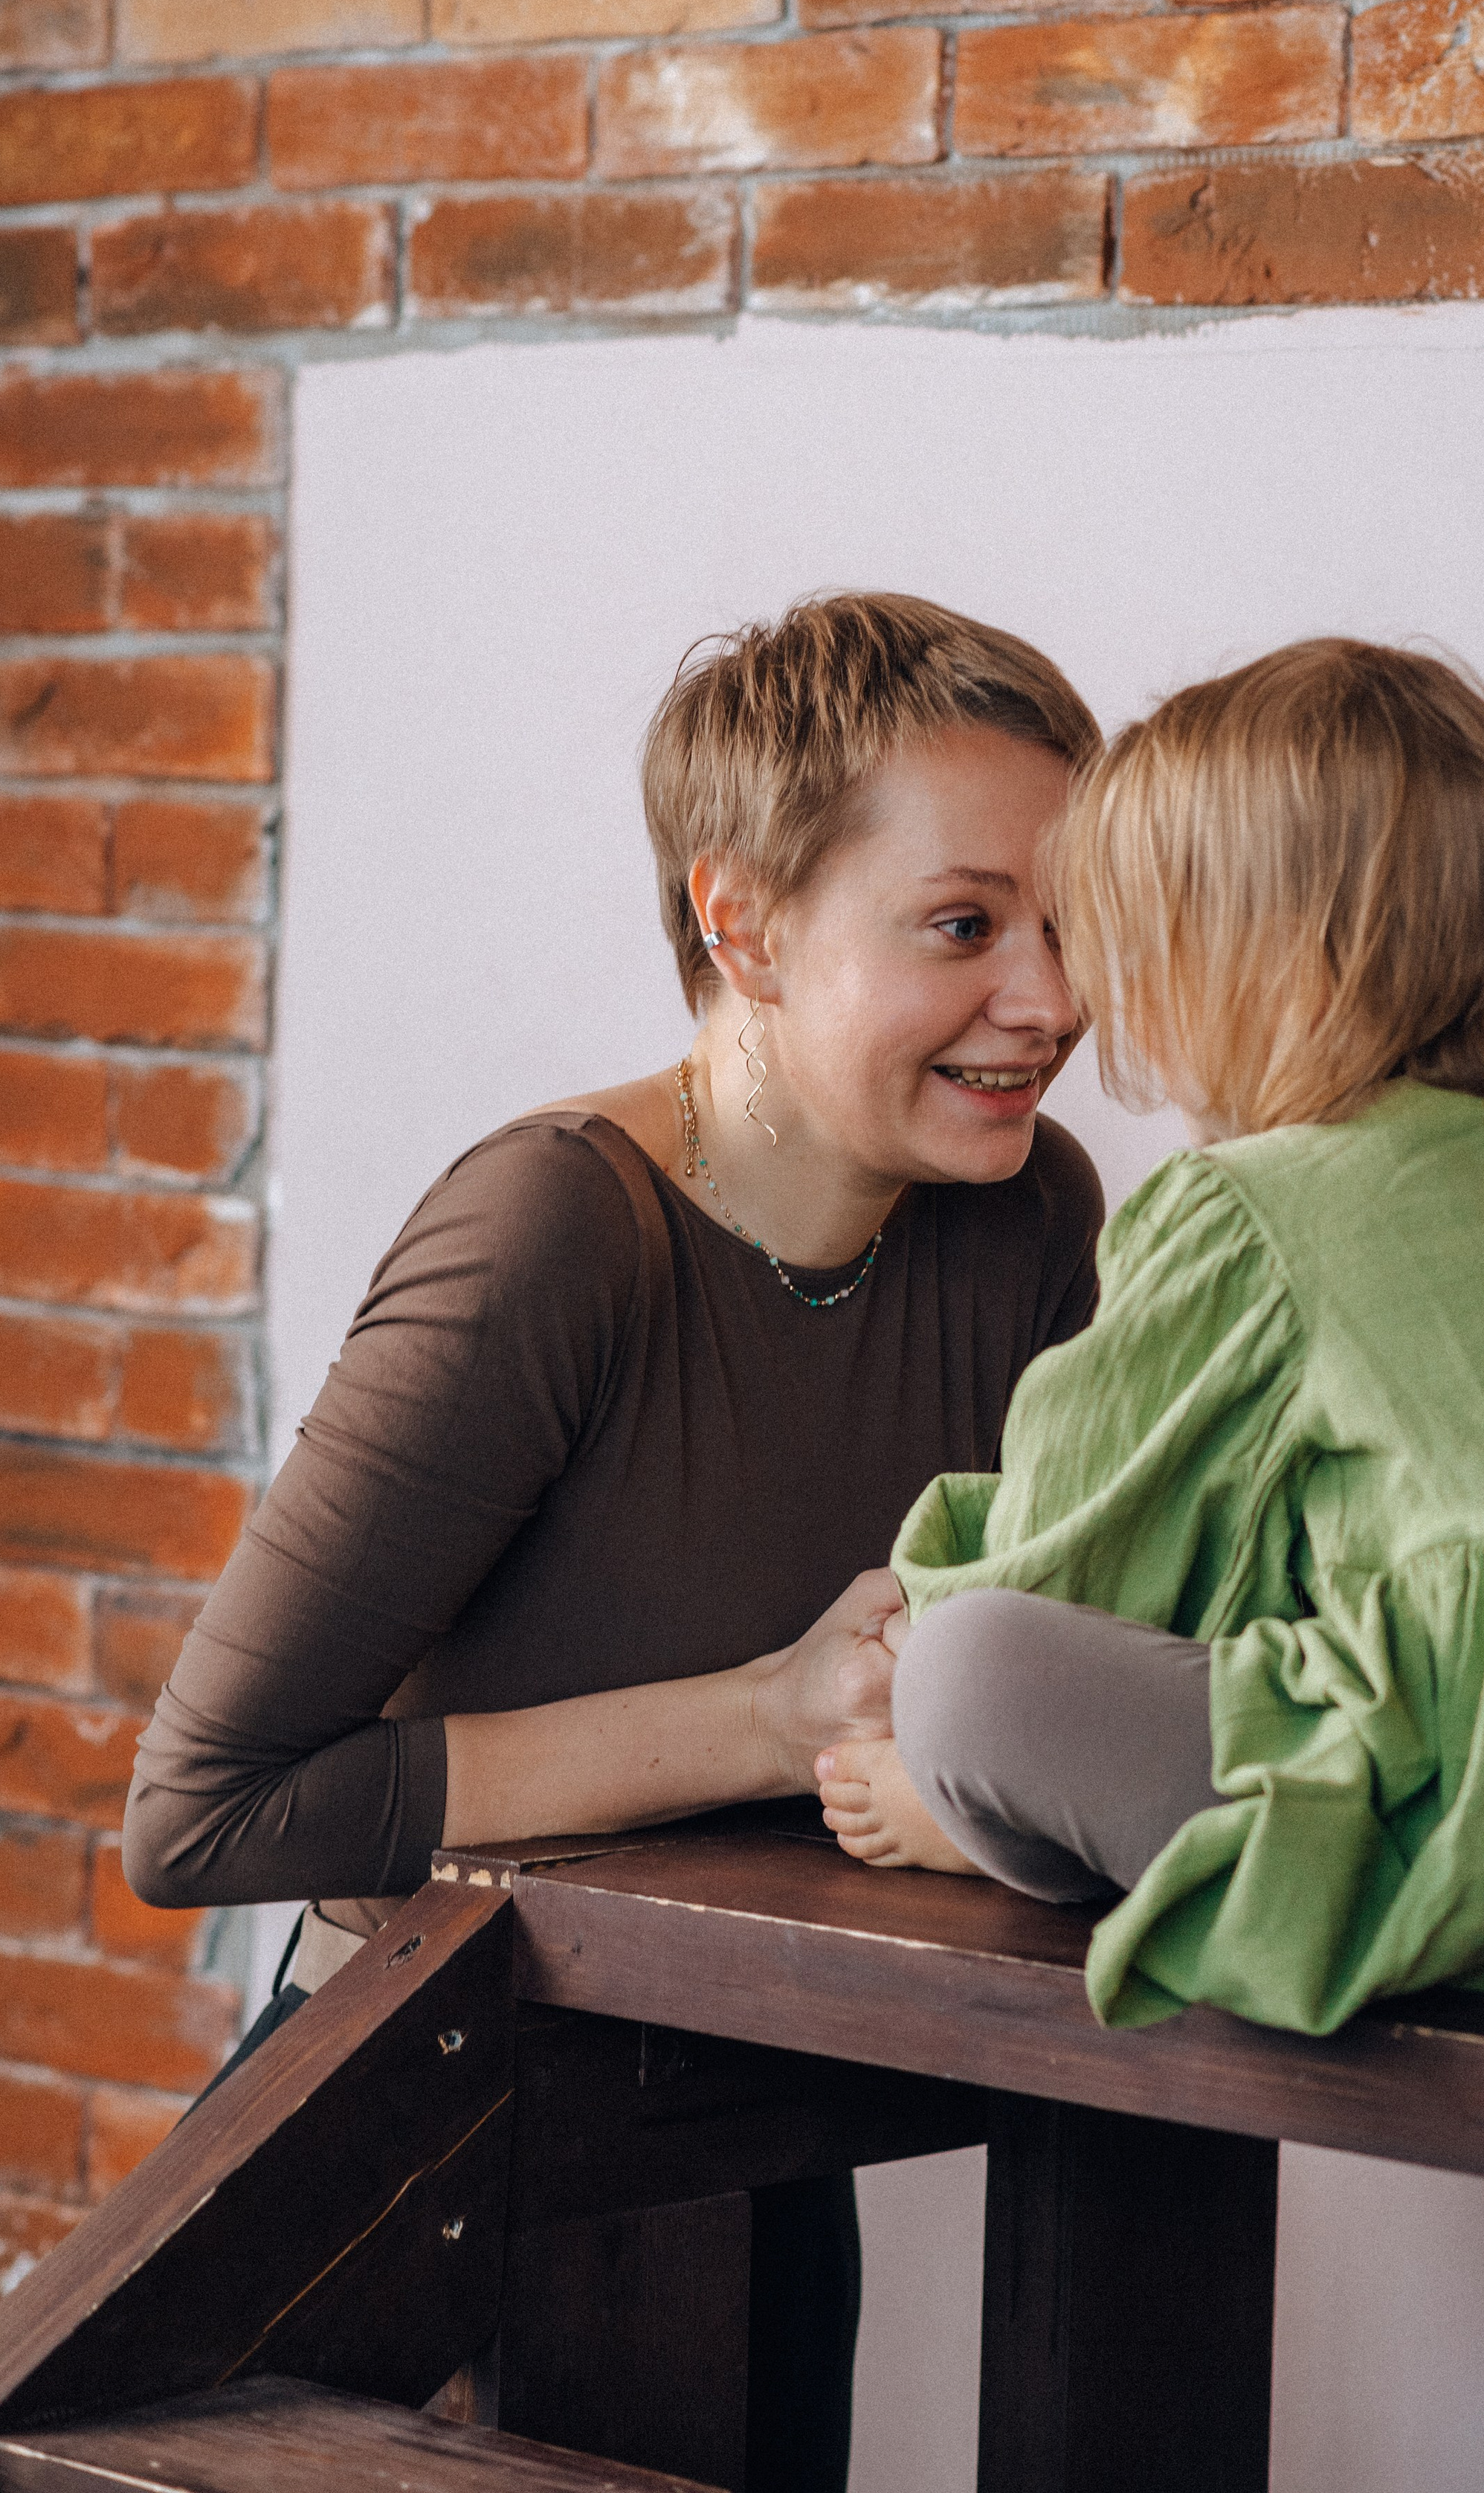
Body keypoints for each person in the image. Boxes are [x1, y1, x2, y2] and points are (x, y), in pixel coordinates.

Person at [123, 591, 1105, 2491]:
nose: (1049, 1001)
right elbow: (208, 1813)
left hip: (736, 2126)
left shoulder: (1026, 1212)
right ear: (737, 919)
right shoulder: (548, 1232)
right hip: (397, 2162)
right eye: (966, 925)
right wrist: (768, 1714)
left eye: (1072, 924)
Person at [817, 638, 1484, 2039]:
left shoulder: (1248, 1206)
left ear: (1239, 962)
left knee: (973, 1676)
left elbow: (1091, 1554)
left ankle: (1020, 1845)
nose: (1084, 1001)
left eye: (1113, 945)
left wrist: (919, 1664)